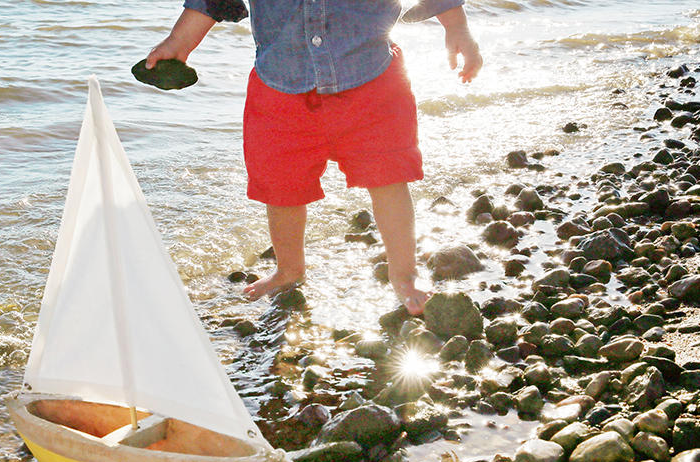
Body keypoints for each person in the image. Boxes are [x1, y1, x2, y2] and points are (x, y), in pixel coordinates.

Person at [146, 0, 482, 316]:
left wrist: (457, 26)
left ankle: (404, 276)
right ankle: (289, 269)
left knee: (388, 175)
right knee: (281, 183)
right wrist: (182, 41)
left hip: (371, 76)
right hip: (280, 85)